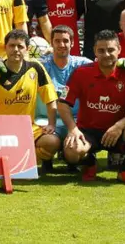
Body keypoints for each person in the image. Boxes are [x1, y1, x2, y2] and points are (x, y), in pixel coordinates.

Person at [60, 29, 125, 186]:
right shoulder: (81, 73)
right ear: (95, 51)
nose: (106, 54)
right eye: (101, 50)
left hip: (116, 131)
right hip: (87, 131)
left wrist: (119, 125)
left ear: (119, 50)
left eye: (111, 50)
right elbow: (62, 104)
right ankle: (89, 163)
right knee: (71, 152)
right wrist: (73, 129)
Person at [0, 29, 59, 168]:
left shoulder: (35, 68)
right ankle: (6, 163)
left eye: (20, 46)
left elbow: (51, 98)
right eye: (12, 46)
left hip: (27, 128)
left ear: (27, 49)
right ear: (5, 48)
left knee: (52, 142)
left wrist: (52, 124)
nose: (16, 50)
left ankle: (27, 165)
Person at [34, 25, 92, 172]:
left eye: (65, 41)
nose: (61, 44)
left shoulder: (83, 64)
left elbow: (105, 65)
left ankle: (71, 160)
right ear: (51, 43)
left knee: (74, 149)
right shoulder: (41, 65)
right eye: (57, 41)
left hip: (75, 121)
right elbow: (19, 65)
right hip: (45, 120)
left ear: (72, 43)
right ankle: (47, 160)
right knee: (49, 142)